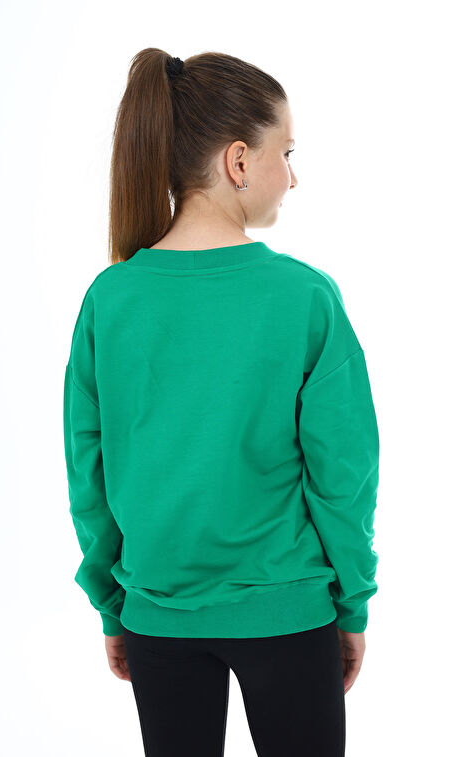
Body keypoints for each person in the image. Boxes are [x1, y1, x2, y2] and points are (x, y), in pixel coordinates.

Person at [63, 47, 380, 757]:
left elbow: (89, 472)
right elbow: (344, 475)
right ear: (238, 161)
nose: (292, 177)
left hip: (156, 615)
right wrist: (351, 602)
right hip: (288, 613)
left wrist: (114, 603)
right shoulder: (304, 296)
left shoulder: (109, 299)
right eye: (286, 153)